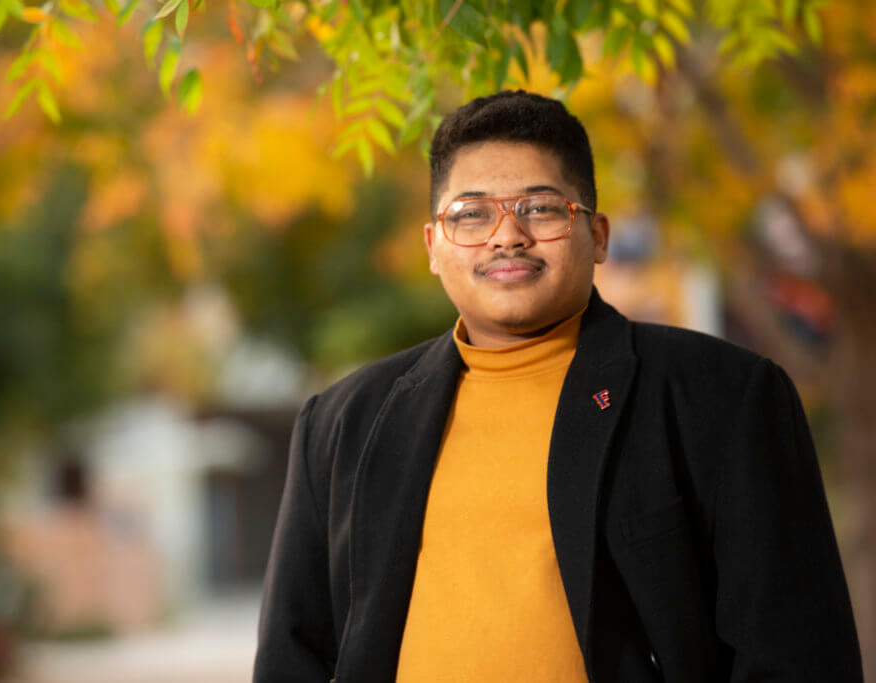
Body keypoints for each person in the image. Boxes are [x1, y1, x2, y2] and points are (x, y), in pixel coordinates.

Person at [252, 90, 863, 682]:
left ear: (597, 235)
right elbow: (292, 658)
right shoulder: (343, 425)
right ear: (434, 246)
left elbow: (796, 655)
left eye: (540, 208)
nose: (506, 235)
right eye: (471, 214)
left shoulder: (722, 398)